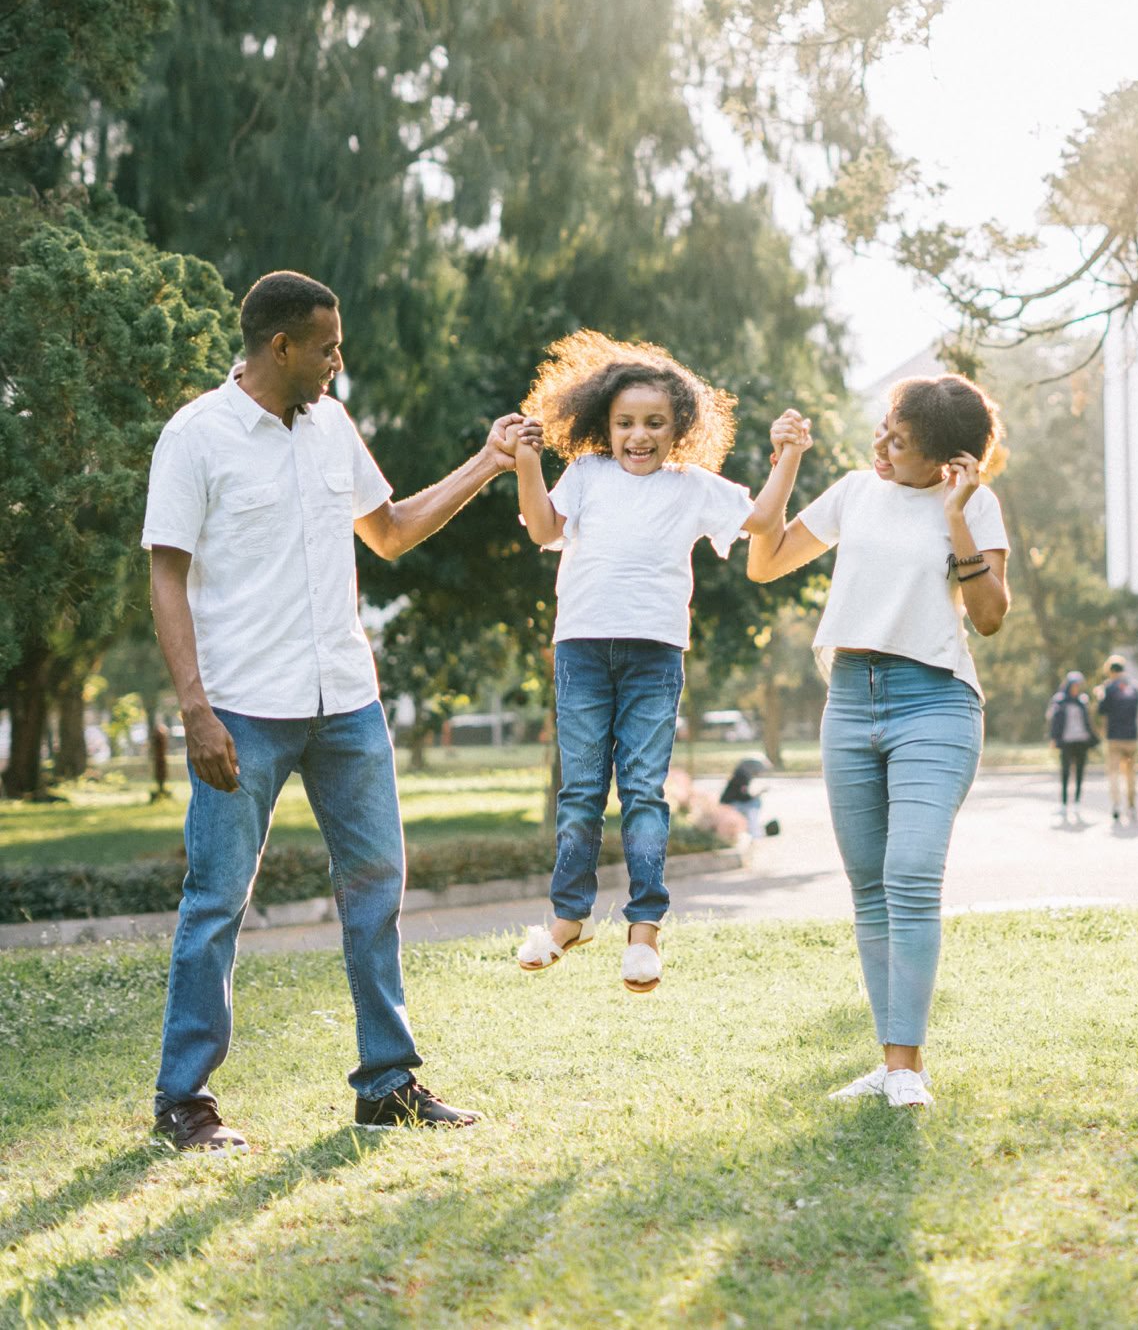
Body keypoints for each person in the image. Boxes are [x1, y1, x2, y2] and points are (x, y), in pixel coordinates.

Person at [143, 270, 523, 1150]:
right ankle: (184, 1099)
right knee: (216, 901)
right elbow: (165, 574)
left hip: (347, 703)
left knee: (376, 889)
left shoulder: (332, 426)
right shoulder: (196, 436)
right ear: (281, 346)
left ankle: (386, 1084)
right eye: (326, 346)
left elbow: (388, 530)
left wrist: (487, 461)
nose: (337, 361)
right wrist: (195, 710)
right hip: (242, 708)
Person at [506, 330, 806, 994]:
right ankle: (568, 919)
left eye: (654, 424)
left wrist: (786, 457)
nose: (638, 436)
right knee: (581, 792)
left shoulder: (692, 486)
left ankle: (645, 933)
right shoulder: (586, 475)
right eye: (625, 424)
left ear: (680, 429)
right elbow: (543, 529)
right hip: (582, 649)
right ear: (603, 426)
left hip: (654, 655)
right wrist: (527, 462)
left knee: (643, 791)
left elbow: (760, 519)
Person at [747, 374, 1010, 1110]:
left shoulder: (976, 503)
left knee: (911, 873)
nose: (884, 447)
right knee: (870, 890)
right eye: (885, 430)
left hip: (936, 701)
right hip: (850, 700)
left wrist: (956, 516)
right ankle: (893, 1063)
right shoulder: (856, 492)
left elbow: (989, 616)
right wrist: (787, 462)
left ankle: (906, 1069)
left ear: (950, 462)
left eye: (903, 442)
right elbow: (763, 563)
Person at [1096, 653, 1138, 822]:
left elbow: (1102, 710)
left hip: (1114, 737)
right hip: (1131, 736)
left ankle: (1116, 805)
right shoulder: (1135, 687)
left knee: (1114, 773)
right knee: (1130, 773)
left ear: (1110, 671)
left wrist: (1101, 694)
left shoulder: (1108, 688)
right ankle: (1132, 805)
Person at [1046, 672, 1098, 815]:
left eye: (1078, 686)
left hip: (1081, 741)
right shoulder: (1060, 700)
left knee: (1080, 773)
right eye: (1074, 685)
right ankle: (1063, 803)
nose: (1076, 688)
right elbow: (1054, 722)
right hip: (1066, 742)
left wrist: (1093, 739)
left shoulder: (1083, 701)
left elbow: (1088, 722)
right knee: (1065, 773)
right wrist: (1054, 738)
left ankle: (1077, 802)